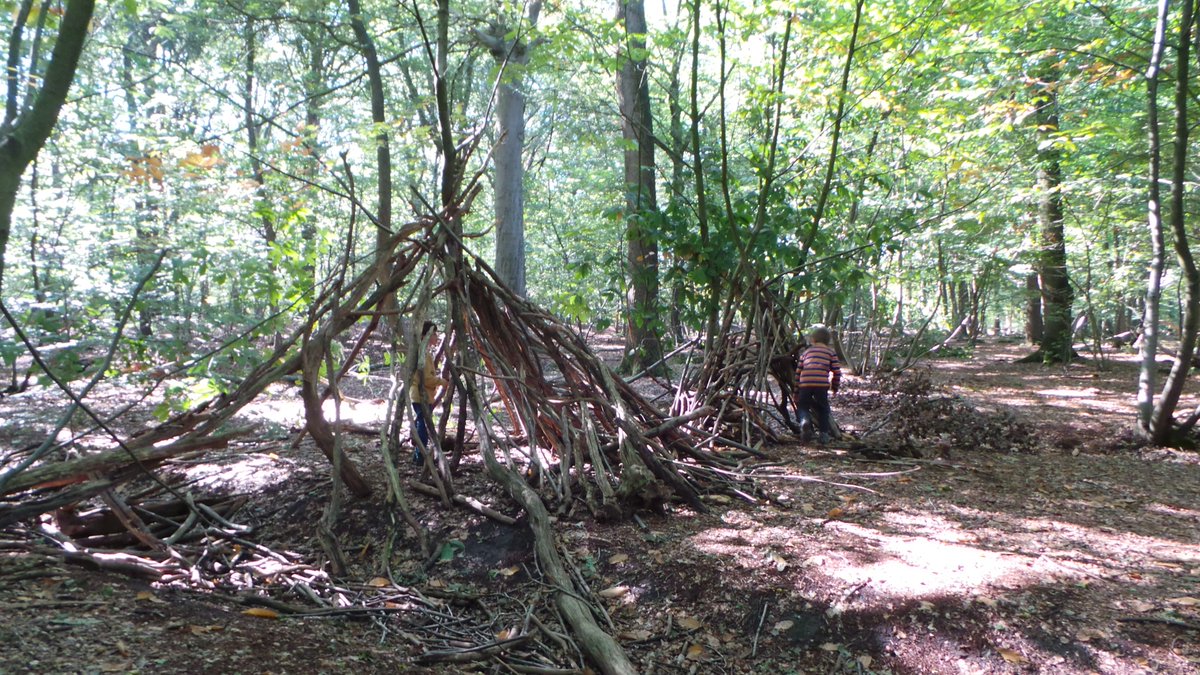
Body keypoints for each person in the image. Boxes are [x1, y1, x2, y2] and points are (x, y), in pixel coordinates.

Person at [794, 326, 841, 444]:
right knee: (824, 409)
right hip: (821, 384)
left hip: (805, 383)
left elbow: (798, 372)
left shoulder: (806, 352)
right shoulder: (831, 353)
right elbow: (837, 372)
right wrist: (834, 386)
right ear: (828, 341)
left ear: (813, 340)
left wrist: (796, 391)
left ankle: (805, 421)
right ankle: (824, 434)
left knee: (803, 406)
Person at [409, 321, 447, 466]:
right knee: (423, 425)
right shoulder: (422, 354)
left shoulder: (424, 353)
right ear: (424, 336)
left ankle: (419, 455)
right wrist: (441, 381)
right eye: (433, 334)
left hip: (423, 396)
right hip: (420, 396)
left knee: (422, 423)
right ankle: (420, 456)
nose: (436, 337)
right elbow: (426, 379)